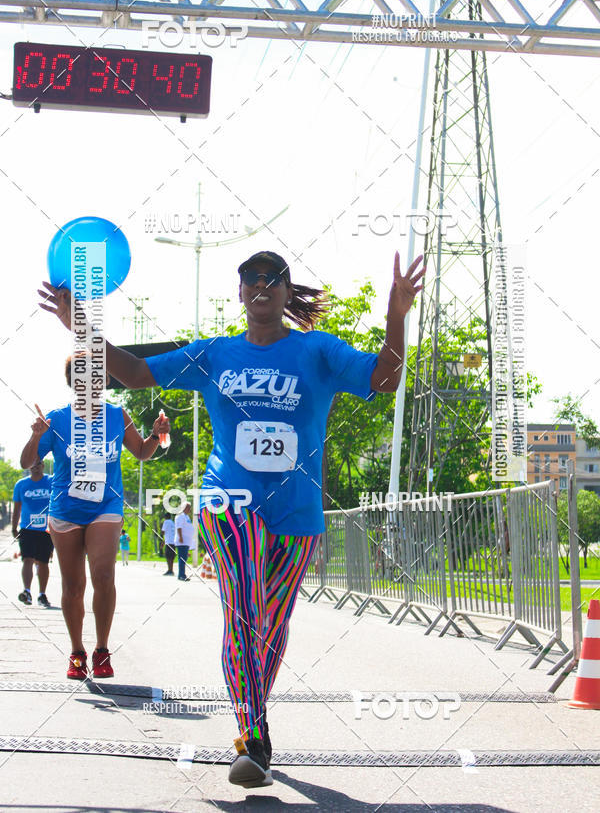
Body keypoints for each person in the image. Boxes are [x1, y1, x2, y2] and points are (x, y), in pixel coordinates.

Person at [38, 248, 424, 787]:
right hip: (228, 504)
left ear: (288, 295)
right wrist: (78, 324)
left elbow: (384, 380)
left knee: (272, 622)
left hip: (297, 511)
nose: (261, 286)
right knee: (244, 614)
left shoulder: (318, 351)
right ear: (239, 293)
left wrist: (395, 316)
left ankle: (253, 720)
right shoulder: (215, 354)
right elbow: (133, 371)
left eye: (273, 280)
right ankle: (251, 732)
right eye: (251, 279)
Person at [19, 354, 170, 681]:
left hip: (106, 505)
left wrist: (157, 435)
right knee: (74, 586)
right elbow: (25, 461)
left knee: (103, 576)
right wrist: (35, 435)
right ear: (74, 383)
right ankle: (77, 651)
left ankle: (102, 650)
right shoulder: (57, 420)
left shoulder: (118, 416)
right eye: (83, 379)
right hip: (66, 509)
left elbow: (141, 453)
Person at [12, 460, 53, 607]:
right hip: (27, 528)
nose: (35, 467)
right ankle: (27, 591)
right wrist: (14, 528)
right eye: (32, 464)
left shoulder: (51, 481)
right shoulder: (21, 485)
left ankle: (42, 594)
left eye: (38, 464)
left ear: (43, 465)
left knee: (43, 561)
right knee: (27, 559)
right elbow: (17, 507)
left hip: (46, 529)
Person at [174, 503, 195, 581]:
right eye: (188, 508)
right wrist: (181, 537)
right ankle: (181, 575)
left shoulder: (187, 517)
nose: (190, 509)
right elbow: (179, 527)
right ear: (184, 508)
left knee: (184, 558)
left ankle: (182, 574)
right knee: (182, 558)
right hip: (182, 541)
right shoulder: (180, 516)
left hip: (186, 541)